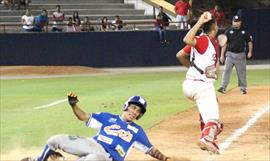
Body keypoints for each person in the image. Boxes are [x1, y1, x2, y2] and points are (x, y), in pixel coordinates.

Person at [21, 93, 173, 161]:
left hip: (107, 158)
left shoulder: (137, 131)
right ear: (126, 106)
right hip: (92, 145)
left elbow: (150, 150)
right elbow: (83, 117)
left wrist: (166, 159)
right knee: (55, 140)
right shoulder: (108, 117)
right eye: (133, 108)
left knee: (93, 159)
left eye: (138, 111)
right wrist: (74, 105)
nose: (134, 112)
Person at [176, 12, 223, 155]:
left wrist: (195, 68)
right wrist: (200, 22)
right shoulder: (204, 40)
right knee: (214, 120)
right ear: (214, 27)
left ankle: (210, 141)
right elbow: (187, 39)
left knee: (209, 113)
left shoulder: (211, 43)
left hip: (193, 84)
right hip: (200, 86)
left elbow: (180, 55)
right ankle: (206, 139)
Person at [217, 15, 253, 95]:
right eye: (234, 21)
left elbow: (249, 42)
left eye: (237, 22)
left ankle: (243, 88)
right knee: (226, 71)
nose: (236, 23)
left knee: (241, 72)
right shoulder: (228, 31)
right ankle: (223, 87)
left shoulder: (245, 32)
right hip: (230, 54)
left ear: (240, 22)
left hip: (241, 55)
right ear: (232, 22)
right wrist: (222, 55)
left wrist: (250, 52)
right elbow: (224, 44)